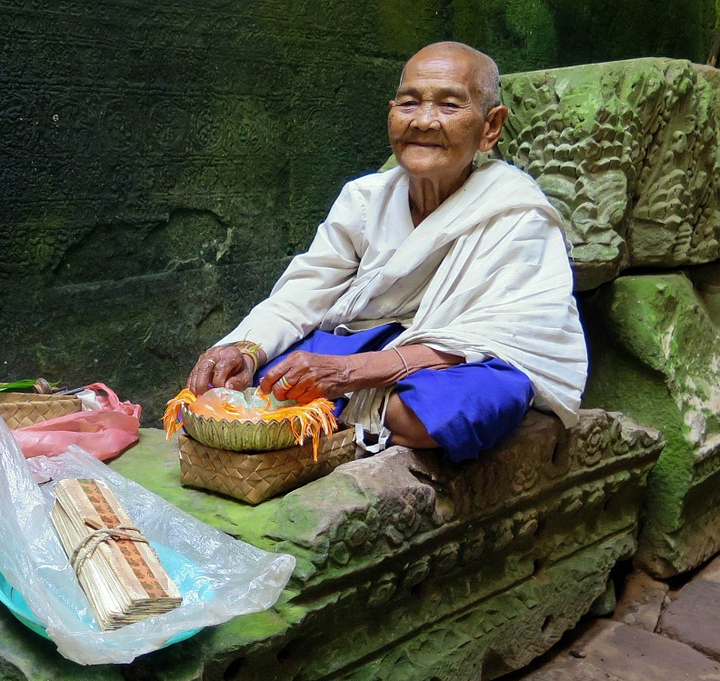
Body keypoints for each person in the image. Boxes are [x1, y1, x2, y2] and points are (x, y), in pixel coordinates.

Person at [186, 41, 587, 461]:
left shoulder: (518, 211)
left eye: (449, 105)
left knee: (437, 411)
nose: (424, 121)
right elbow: (302, 294)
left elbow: (511, 335)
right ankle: (352, 411)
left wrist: (348, 374)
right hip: (367, 342)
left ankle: (355, 415)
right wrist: (244, 349)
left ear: (490, 127)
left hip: (458, 364)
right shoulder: (364, 199)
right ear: (391, 114)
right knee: (252, 384)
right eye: (409, 103)